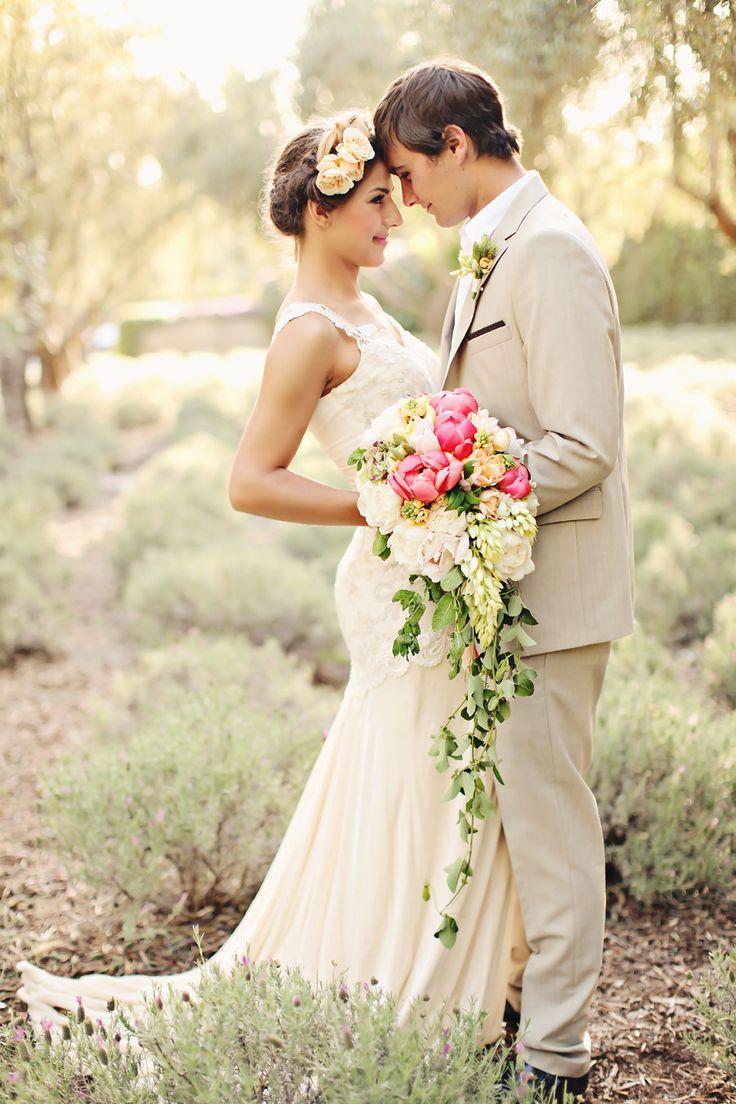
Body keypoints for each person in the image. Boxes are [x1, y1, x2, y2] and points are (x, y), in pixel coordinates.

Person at [16, 110, 525, 1065]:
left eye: (395, 198)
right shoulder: (308, 332)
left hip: (439, 569)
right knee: (413, 767)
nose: (396, 217)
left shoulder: (370, 311)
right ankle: (403, 986)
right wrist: (384, 508)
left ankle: (458, 973)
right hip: (394, 579)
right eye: (378, 201)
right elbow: (251, 480)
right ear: (322, 209)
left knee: (443, 766)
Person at [374, 60, 636, 1104]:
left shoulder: (554, 253)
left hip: (553, 594)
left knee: (550, 825)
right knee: (513, 821)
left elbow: (584, 443)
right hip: (505, 590)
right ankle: (521, 1009)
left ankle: (557, 1058)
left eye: (406, 171)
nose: (405, 199)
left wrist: (463, 503)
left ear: (454, 144)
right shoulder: (493, 249)